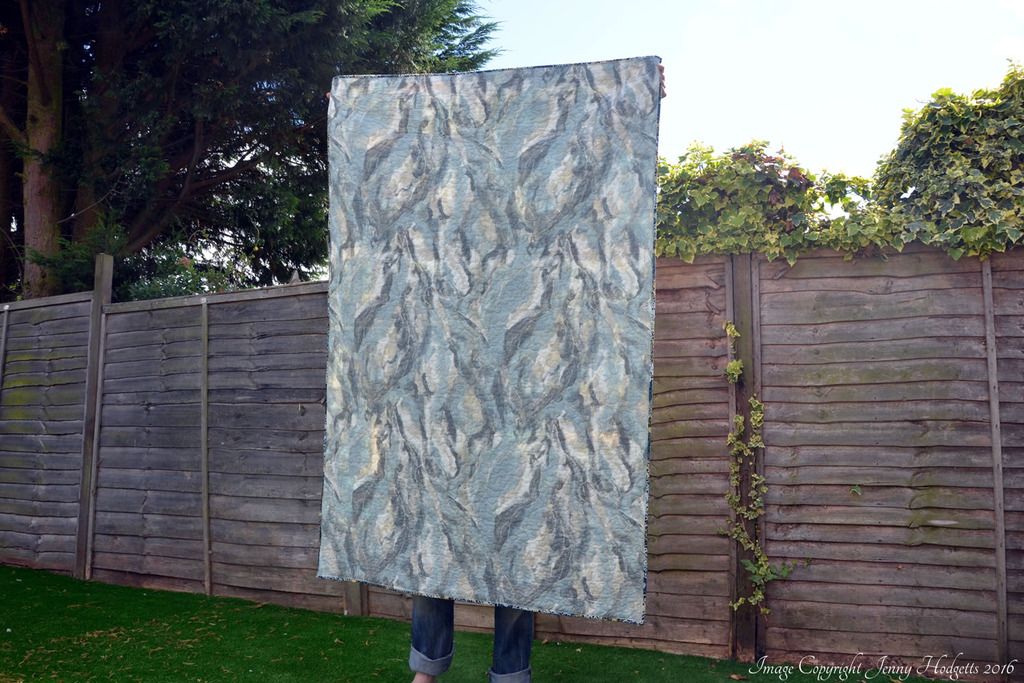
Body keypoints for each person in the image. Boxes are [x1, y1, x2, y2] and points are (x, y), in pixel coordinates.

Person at [408, 63, 666, 683]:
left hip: (523, 399)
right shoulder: (452, 238)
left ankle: (509, 674)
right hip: (456, 393)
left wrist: (639, 91)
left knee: (517, 548)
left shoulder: (544, 241)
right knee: (437, 539)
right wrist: (354, 110)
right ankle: (427, 668)